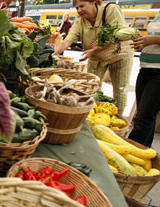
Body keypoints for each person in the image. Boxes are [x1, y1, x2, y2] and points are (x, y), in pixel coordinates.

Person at [53, 0, 134, 116]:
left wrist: (93, 50)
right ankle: (89, 116)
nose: (79, 10)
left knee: (120, 90)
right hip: (96, 57)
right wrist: (53, 53)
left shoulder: (111, 9)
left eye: (82, 6)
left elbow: (115, 35)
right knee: (90, 88)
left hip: (120, 54)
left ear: (93, 2)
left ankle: (118, 118)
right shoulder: (80, 22)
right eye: (76, 8)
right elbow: (67, 41)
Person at [128, 13, 160, 147]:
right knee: (145, 117)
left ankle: (131, 153)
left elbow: (155, 40)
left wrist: (153, 39)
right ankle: (144, 151)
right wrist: (142, 44)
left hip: (158, 72)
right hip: (146, 68)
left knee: (143, 118)